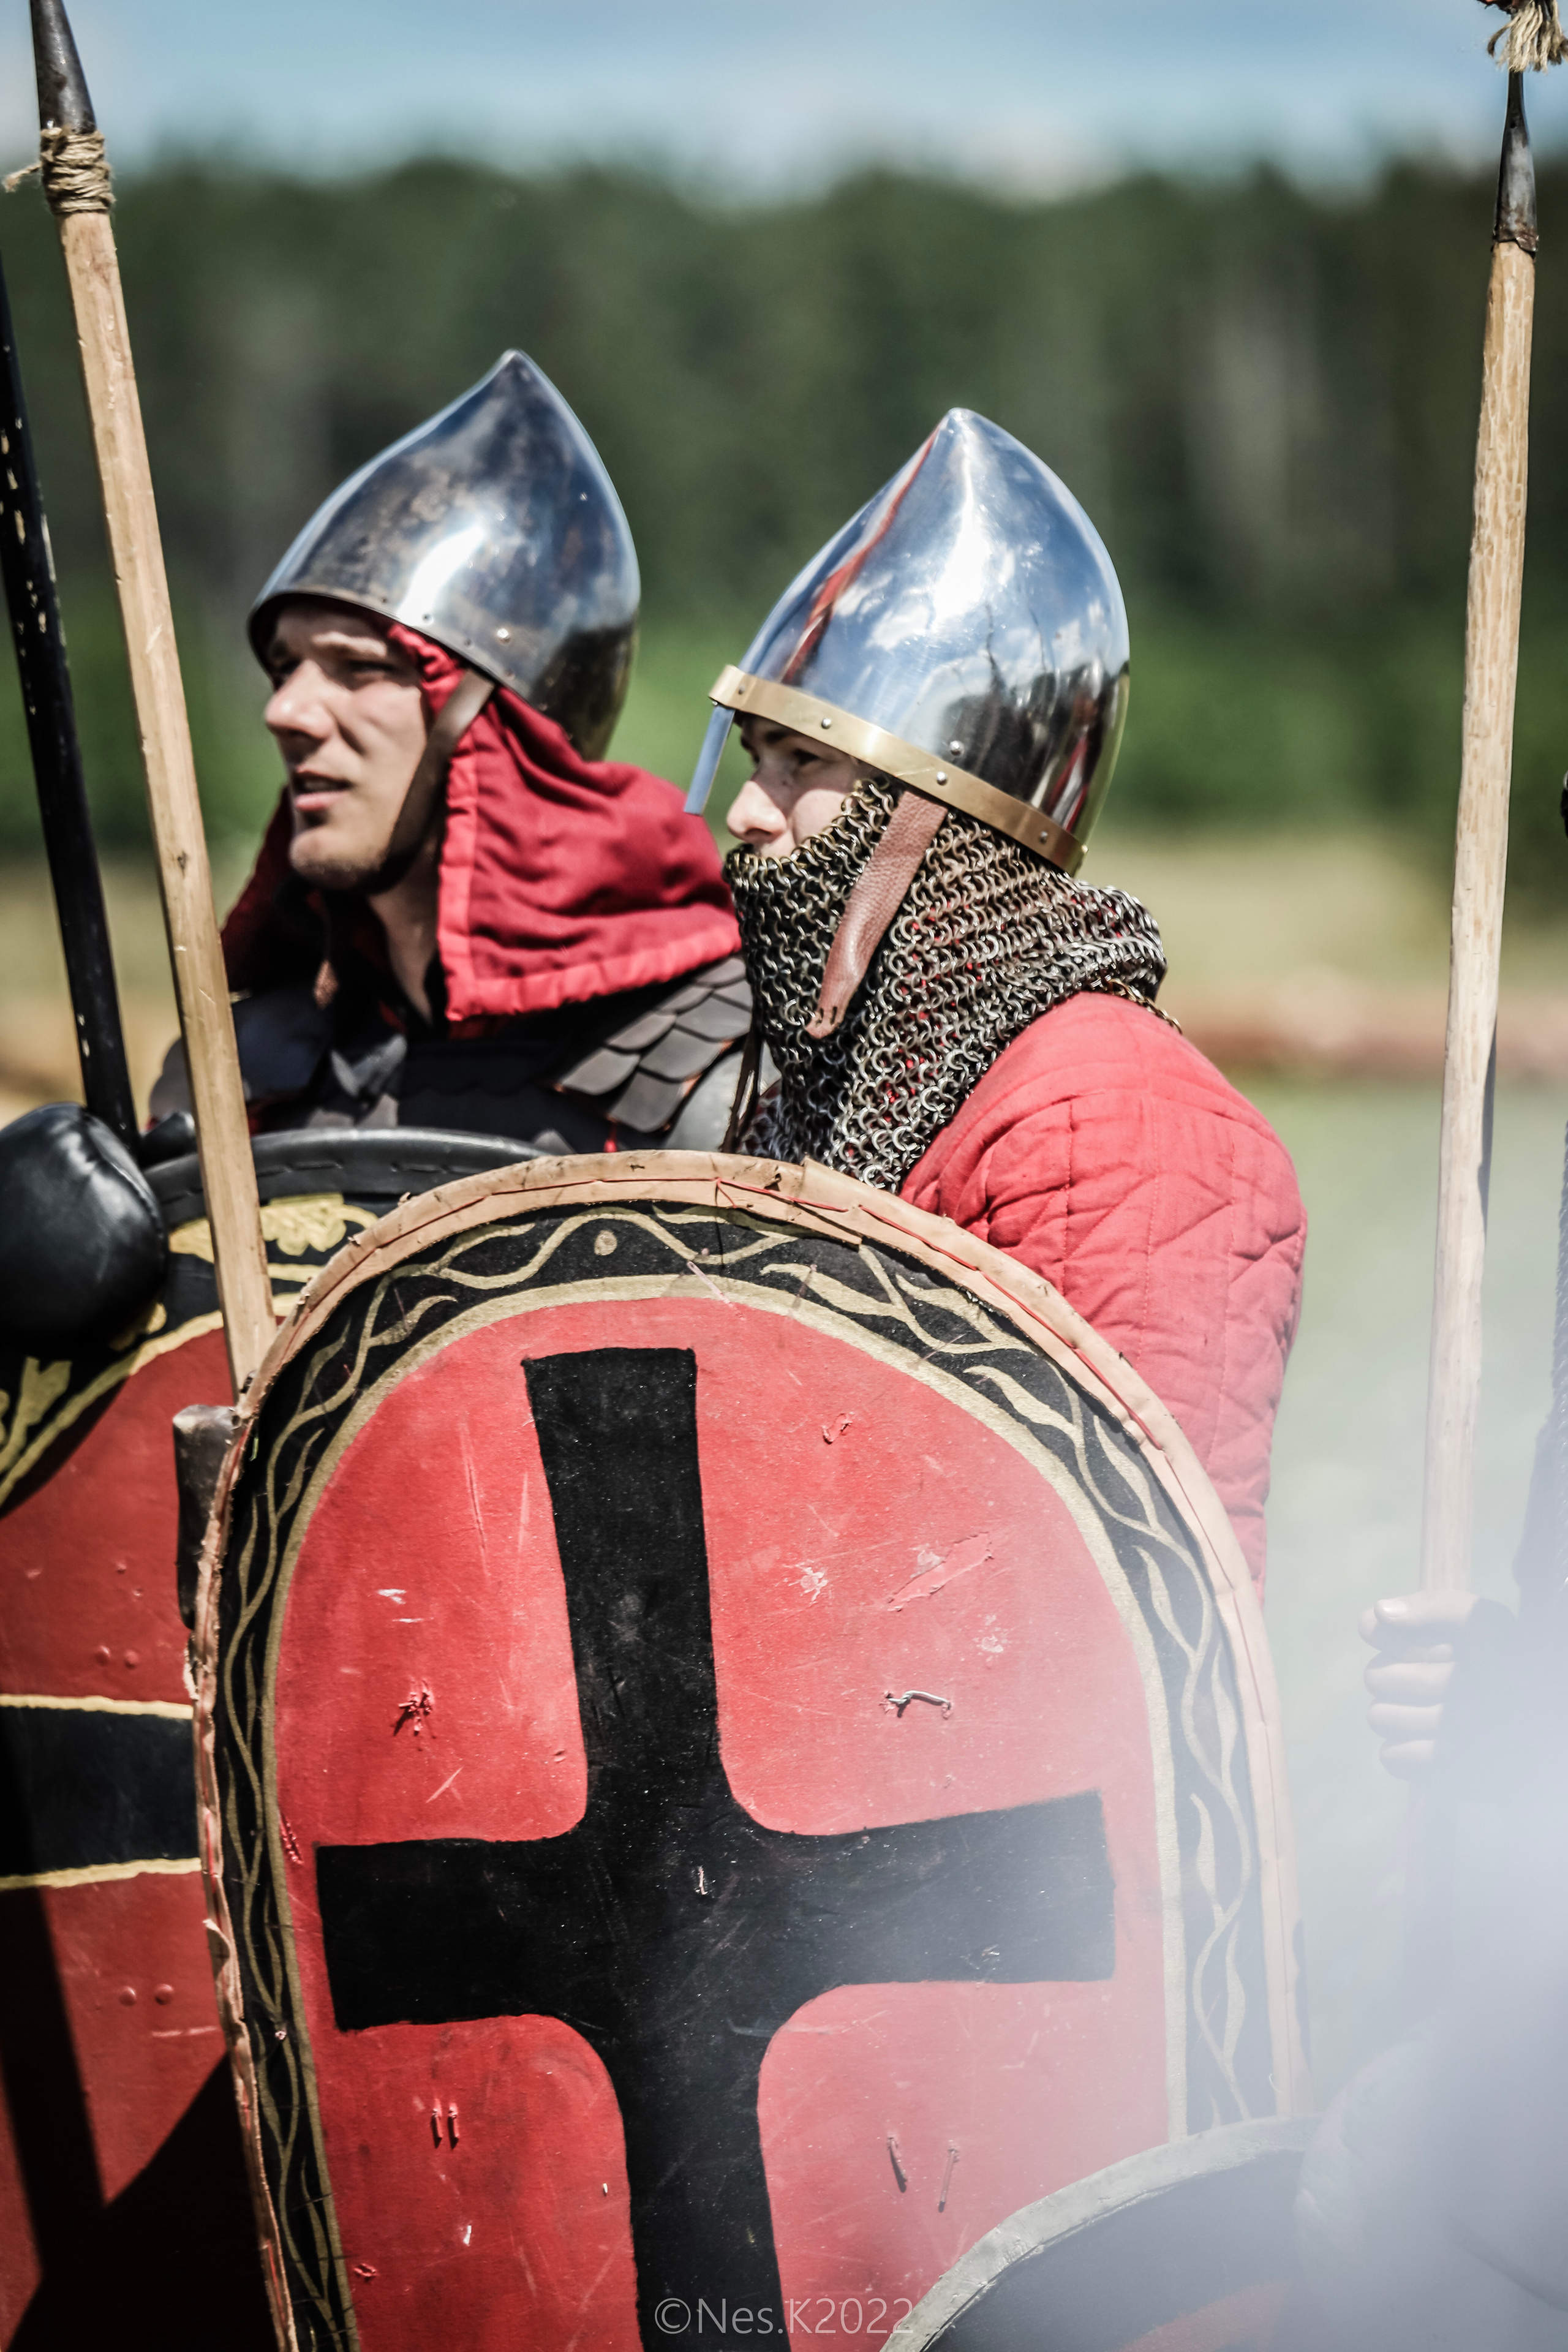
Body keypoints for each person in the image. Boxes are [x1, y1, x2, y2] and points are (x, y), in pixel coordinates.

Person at [687, 407, 1305, 1596]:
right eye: (752, 760)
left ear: (935, 809)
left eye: (802, 765)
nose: (747, 814)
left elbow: (1096, 1609)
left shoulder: (1112, 1125)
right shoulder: (862, 1075)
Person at [153, 351, 750, 1151]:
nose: (285, 710)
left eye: (360, 668)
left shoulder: (718, 1079)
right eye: (286, 667)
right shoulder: (244, 1086)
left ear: (494, 731)